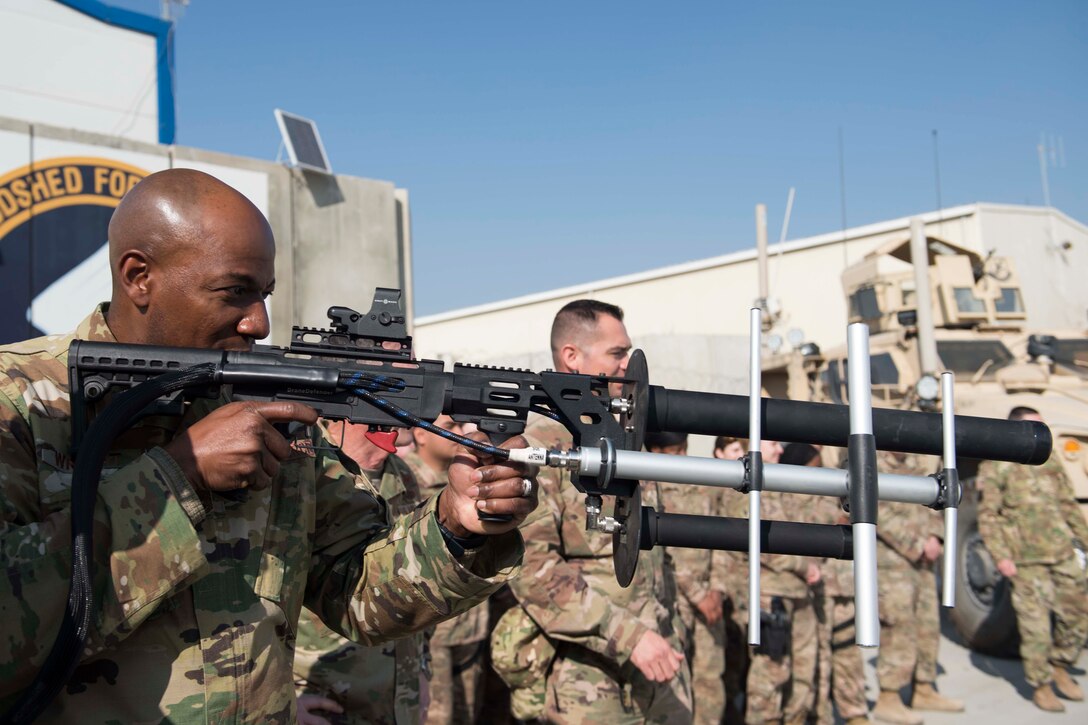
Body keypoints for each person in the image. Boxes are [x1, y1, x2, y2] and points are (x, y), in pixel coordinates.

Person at [0, 169, 537, 722]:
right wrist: (177, 478)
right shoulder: (25, 403)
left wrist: (456, 525)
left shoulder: (269, 413)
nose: (260, 322)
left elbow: (356, 593)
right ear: (139, 276)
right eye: (235, 291)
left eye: (265, 294)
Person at [496, 299, 693, 724]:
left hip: (661, 666)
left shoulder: (623, 438)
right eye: (617, 354)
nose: (628, 366)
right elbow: (532, 569)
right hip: (591, 682)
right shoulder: (540, 448)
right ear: (572, 357)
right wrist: (631, 636)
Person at [293, 421, 430, 725]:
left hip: (395, 699)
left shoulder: (401, 474)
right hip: (320, 700)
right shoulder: (301, 465)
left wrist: (420, 670)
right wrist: (281, 699)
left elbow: (417, 583)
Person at [977, 406, 1088, 713]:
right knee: (1035, 626)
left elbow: (1067, 503)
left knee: (1077, 615)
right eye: (1032, 429)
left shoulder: (1049, 459)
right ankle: (1040, 685)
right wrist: (1001, 557)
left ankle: (1060, 666)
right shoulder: (998, 466)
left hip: (1061, 551)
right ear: (1014, 431)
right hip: (1025, 559)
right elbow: (988, 516)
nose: (1039, 435)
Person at [725, 439, 821, 725]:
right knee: (770, 673)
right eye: (772, 444)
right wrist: (804, 566)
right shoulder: (744, 484)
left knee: (804, 672)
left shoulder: (782, 481)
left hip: (800, 593)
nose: (780, 450)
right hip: (770, 594)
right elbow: (756, 541)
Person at [402, 415, 491, 724]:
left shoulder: (475, 482)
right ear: (420, 434)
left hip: (469, 631)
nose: (460, 433)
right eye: (450, 426)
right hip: (429, 633)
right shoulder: (404, 479)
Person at [869, 451, 963, 725]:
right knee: (899, 627)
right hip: (892, 561)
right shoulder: (874, 465)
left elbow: (933, 500)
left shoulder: (914, 464)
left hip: (923, 559)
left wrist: (935, 536)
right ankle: (889, 697)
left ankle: (923, 687)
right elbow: (876, 510)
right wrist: (916, 543)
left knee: (927, 624)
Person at [787, 443, 869, 725]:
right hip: (815, 587)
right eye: (814, 466)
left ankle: (854, 712)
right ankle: (818, 714)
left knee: (848, 650)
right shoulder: (790, 495)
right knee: (816, 659)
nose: (818, 471)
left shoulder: (832, 487)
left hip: (841, 584)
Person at [651, 431, 727, 725]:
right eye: (674, 451)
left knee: (710, 682)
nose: (681, 458)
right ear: (655, 451)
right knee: (673, 684)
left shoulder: (701, 484)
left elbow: (723, 538)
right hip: (674, 600)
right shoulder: (649, 487)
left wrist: (717, 590)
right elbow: (664, 551)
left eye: (684, 450)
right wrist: (697, 594)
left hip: (710, 601)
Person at [714, 435, 751, 725]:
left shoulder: (740, 491)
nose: (740, 455)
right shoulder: (712, 490)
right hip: (717, 589)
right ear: (718, 453)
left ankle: (732, 710)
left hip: (739, 589)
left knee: (737, 659)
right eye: (734, 450)